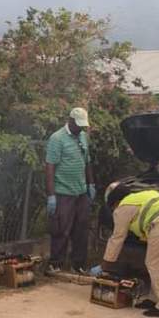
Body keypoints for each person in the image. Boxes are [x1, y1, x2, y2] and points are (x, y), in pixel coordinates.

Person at [90, 188, 159, 317]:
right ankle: (155, 299)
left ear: (115, 203)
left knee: (155, 264)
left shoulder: (123, 207)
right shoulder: (141, 197)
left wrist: (105, 264)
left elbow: (117, 238)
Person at [45, 107, 95, 274]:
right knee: (61, 230)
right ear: (70, 120)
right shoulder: (57, 138)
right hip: (63, 192)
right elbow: (50, 167)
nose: (80, 128)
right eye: (78, 125)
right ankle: (56, 264)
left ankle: (78, 264)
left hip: (81, 192)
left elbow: (87, 161)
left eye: (83, 126)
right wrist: (51, 195)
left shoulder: (82, 136)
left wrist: (91, 184)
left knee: (81, 230)